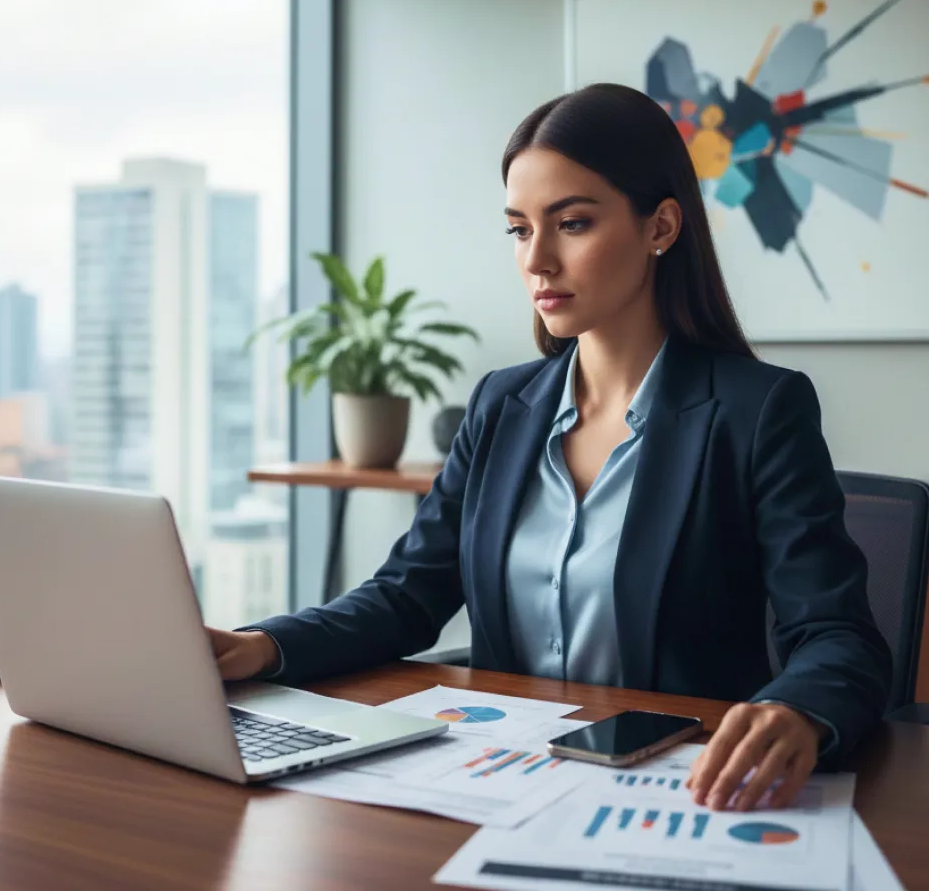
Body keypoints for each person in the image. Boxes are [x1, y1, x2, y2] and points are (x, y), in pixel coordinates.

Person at [207, 83, 891, 812]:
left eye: (571, 223)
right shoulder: (503, 405)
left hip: (685, 787)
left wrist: (798, 712)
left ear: (660, 226)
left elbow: (837, 636)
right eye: (518, 230)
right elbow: (408, 595)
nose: (537, 260)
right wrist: (263, 646)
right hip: (505, 779)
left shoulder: (758, 411)